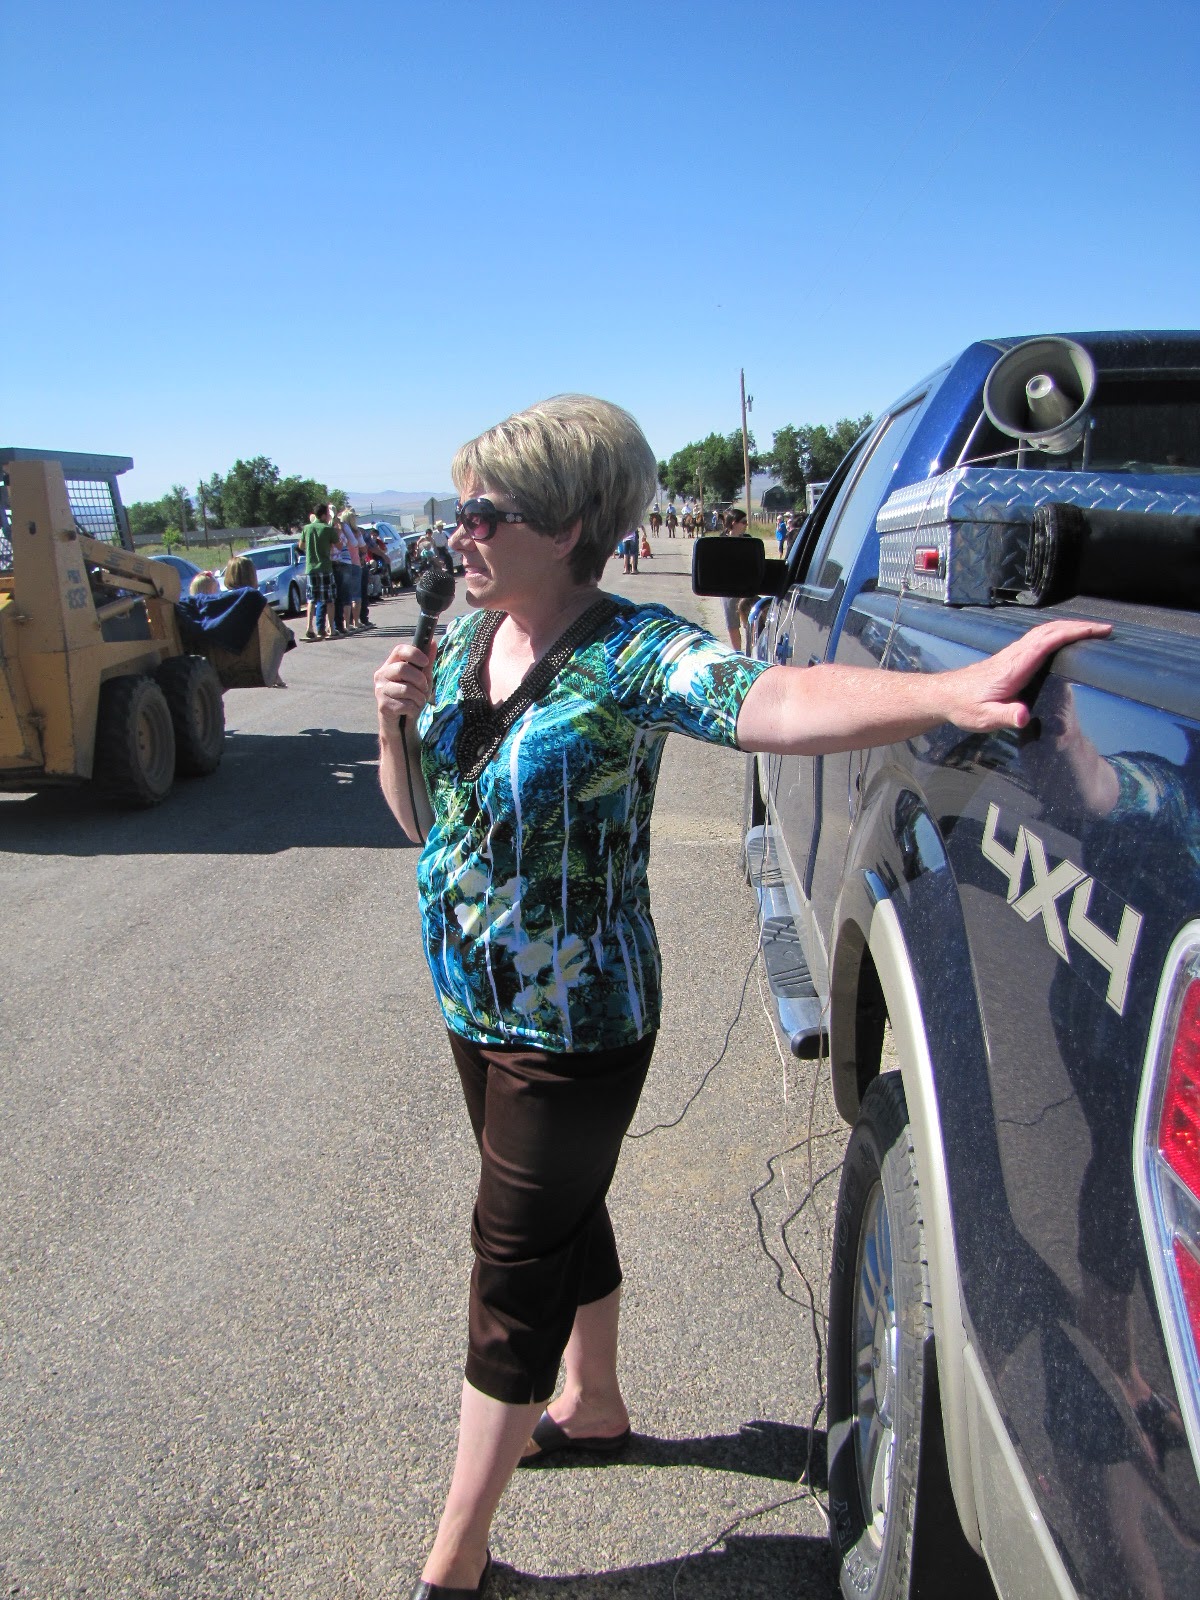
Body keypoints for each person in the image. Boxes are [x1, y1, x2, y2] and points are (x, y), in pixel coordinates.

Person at [372, 393, 1108, 1598]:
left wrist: (951, 691)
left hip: (573, 1024)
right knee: (562, 1210)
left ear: (567, 526)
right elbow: (420, 824)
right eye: (458, 510)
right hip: (470, 1000)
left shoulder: (629, 653)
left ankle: (455, 1563)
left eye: (484, 512)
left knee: (511, 1265)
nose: (459, 532)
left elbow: (778, 701)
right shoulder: (462, 644)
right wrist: (390, 724)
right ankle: (595, 1401)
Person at [302, 504, 337, 641]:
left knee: (311, 599)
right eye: (327, 514)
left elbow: (301, 545)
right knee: (329, 599)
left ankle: (309, 627)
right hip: (325, 567)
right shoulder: (327, 528)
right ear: (323, 515)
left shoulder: (307, 528)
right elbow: (338, 544)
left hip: (311, 567)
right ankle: (332, 628)